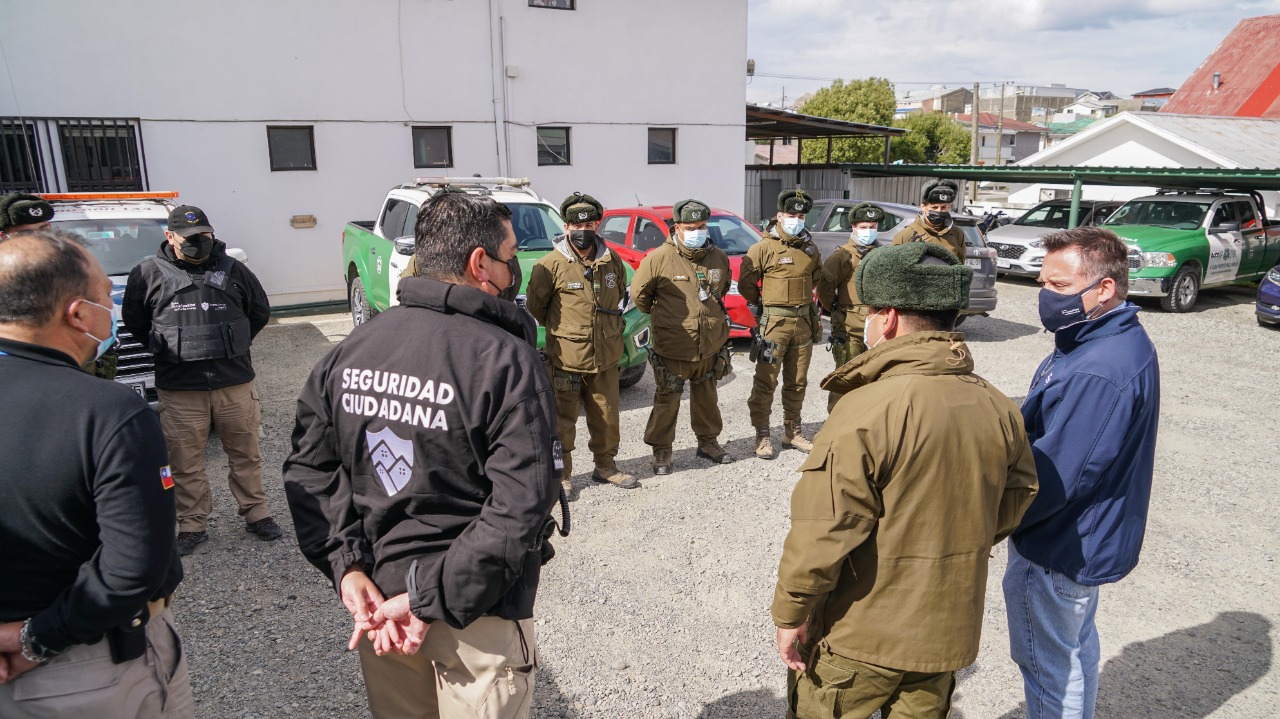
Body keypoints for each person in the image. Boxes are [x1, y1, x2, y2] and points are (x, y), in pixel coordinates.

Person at [283, 191, 560, 719]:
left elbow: (309, 470)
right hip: (473, 616)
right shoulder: (505, 359)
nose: (515, 272)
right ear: (479, 263)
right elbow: (521, 504)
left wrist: (347, 567)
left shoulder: (352, 350)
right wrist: (427, 596)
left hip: (381, 606)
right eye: (510, 257)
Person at [772, 242, 1038, 719]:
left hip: (860, 634)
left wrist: (791, 612)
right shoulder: (998, 405)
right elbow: (1013, 502)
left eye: (870, 311)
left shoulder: (866, 408)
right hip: (946, 633)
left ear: (888, 319)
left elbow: (825, 530)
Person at [0, 231, 192, 718]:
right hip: (87, 671)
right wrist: (36, 640)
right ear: (77, 314)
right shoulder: (108, 413)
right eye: (106, 295)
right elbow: (133, 566)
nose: (112, 309)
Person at [1004, 227, 1160, 719]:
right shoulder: (1093, 339)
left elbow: (1059, 477)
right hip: (1079, 537)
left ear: (1104, 288)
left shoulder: (1100, 367)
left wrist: (996, 520)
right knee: (1072, 654)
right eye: (1043, 284)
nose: (1046, 297)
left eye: (1059, 286)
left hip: (1059, 544)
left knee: (1051, 668)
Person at [122, 205, 281, 555]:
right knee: (184, 462)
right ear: (170, 237)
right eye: (190, 238)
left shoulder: (234, 269)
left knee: (246, 454)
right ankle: (192, 524)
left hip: (233, 382)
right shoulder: (147, 273)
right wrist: (167, 347)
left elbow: (259, 312)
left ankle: (257, 514)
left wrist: (232, 345)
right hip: (180, 388)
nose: (199, 242)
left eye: (204, 235)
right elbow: (135, 321)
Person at [525, 192, 637, 497]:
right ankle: (562, 475)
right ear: (566, 227)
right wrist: (568, 330)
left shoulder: (611, 260)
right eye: (576, 225)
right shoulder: (550, 265)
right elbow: (537, 307)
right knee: (562, 422)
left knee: (607, 416)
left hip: (606, 356)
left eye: (588, 224)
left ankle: (606, 467)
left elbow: (619, 295)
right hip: (566, 358)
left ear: (597, 225)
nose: (583, 230)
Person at [630, 198, 734, 475]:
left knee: (707, 397)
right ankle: (662, 451)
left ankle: (708, 443)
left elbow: (721, 290)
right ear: (677, 227)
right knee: (667, 399)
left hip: (709, 343)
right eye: (690, 228)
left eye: (702, 226)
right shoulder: (659, 258)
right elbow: (640, 297)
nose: (697, 232)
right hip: (674, 344)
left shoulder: (718, 257)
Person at [739, 188, 823, 459]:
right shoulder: (763, 248)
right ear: (779, 215)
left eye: (801, 216)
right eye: (791, 215)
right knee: (766, 381)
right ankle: (762, 434)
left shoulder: (810, 248)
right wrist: (764, 304)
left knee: (797, 381)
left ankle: (792, 431)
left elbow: (816, 277)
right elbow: (746, 284)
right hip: (773, 326)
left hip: (803, 324)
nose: (796, 220)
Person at [816, 201, 883, 412]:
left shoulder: (881, 254)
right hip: (849, 329)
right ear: (853, 227)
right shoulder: (843, 256)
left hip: (877, 329)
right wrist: (836, 309)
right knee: (846, 377)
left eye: (872, 227)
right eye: (863, 227)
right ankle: (837, 421)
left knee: (873, 379)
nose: (868, 231)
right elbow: (825, 287)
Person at [892, 179, 966, 261]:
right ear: (923, 207)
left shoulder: (957, 234)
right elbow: (894, 264)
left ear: (949, 207)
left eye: (943, 207)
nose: (939, 211)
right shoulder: (907, 234)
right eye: (934, 207)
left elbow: (960, 264)